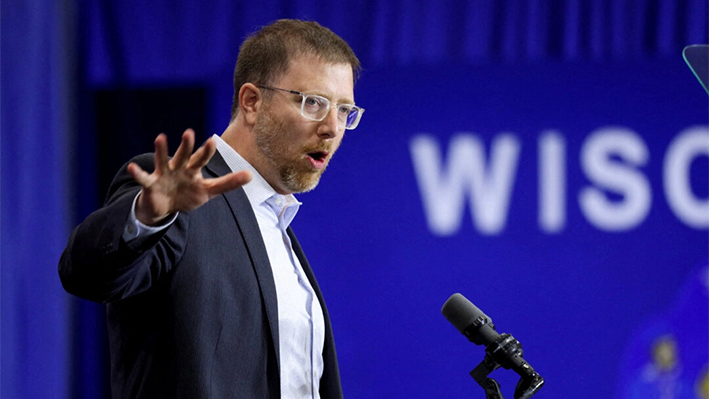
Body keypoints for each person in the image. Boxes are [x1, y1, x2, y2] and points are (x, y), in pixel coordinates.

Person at [59, 19, 364, 399]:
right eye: (314, 103)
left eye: (344, 110)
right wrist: (146, 217)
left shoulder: (277, 225)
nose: (332, 128)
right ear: (252, 102)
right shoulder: (178, 202)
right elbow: (86, 273)